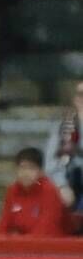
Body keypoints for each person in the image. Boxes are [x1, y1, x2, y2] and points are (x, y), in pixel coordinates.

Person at [0, 147, 69, 236]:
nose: (26, 173)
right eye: (22, 168)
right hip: (22, 244)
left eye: (31, 168)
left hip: (53, 245)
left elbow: (45, 229)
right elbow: (4, 224)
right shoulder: (12, 191)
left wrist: (19, 243)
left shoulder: (49, 191)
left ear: (40, 172)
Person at [45, 80, 83, 212]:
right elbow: (51, 163)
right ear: (75, 99)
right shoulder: (63, 126)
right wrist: (62, 186)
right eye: (81, 94)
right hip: (71, 183)